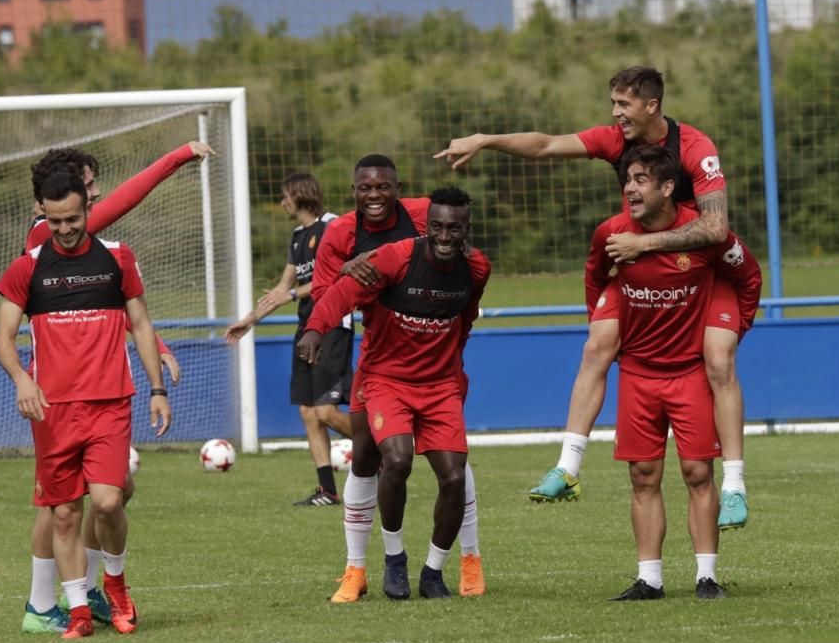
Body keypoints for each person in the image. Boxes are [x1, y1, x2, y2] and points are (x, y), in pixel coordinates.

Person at [435, 66, 751, 530]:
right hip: (643, 270)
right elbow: (545, 145)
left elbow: (715, 227)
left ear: (651, 106)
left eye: (623, 105)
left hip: (702, 270)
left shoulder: (695, 148)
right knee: (597, 347)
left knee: (718, 360)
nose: (615, 113)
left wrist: (642, 244)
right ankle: (568, 466)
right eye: (613, 104)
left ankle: (736, 486)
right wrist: (484, 139)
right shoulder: (614, 140)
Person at [19, 142, 211, 634]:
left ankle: (80, 596)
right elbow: (128, 198)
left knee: (109, 494)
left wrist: (156, 345)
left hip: (90, 387)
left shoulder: (84, 242)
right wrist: (179, 156)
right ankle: (44, 607)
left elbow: (112, 304)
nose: (96, 192)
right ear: (62, 195)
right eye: (90, 183)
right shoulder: (51, 230)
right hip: (59, 390)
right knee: (59, 505)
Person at [0, 172, 172, 638]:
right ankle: (77, 611)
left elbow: (141, 323)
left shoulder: (117, 257)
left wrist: (158, 390)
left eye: (72, 218)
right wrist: (22, 381)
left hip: (110, 404)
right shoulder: (27, 268)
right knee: (65, 513)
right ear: (42, 213)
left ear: (88, 211)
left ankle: (114, 582)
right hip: (51, 411)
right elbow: (4, 338)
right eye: (54, 221)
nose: (64, 228)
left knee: (110, 501)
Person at [585, 146, 760, 600]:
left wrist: (734, 326)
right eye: (627, 179)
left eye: (640, 179)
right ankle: (650, 579)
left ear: (666, 188)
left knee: (697, 472)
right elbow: (595, 277)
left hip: (688, 373)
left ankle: (707, 577)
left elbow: (749, 274)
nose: (629, 187)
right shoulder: (612, 232)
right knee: (642, 474)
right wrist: (606, 327)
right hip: (640, 374)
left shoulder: (705, 235)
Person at [298, 187, 491, 599]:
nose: (443, 235)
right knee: (391, 460)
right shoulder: (387, 254)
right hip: (384, 379)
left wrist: (452, 364)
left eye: (452, 229)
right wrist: (316, 329)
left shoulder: (476, 268)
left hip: (439, 383)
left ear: (466, 230)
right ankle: (389, 561)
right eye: (435, 227)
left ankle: (438, 570)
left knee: (455, 475)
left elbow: (467, 315)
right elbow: (337, 292)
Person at [225, 172, 353, 505]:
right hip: (306, 329)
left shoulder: (332, 226)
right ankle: (327, 490)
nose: (282, 202)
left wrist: (293, 293)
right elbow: (282, 289)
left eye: (285, 195)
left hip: (333, 327)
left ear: (300, 194)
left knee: (326, 412)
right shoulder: (298, 237)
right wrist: (249, 321)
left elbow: (337, 275)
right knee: (309, 413)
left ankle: (377, 449)